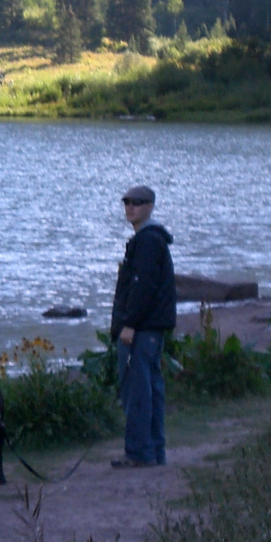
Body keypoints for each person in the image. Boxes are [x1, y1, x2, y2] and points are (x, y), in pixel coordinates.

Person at [109, 184, 176, 467]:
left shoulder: (148, 241)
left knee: (138, 391)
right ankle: (154, 451)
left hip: (143, 329)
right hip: (151, 328)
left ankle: (139, 453)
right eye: (126, 202)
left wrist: (130, 324)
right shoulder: (147, 239)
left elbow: (143, 286)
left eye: (137, 202)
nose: (130, 207)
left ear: (150, 206)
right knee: (150, 388)